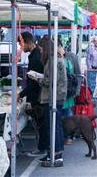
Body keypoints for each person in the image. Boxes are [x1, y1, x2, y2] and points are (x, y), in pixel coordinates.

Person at [36, 38, 67, 167]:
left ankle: (57, 154)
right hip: (57, 96)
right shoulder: (56, 59)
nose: (41, 51)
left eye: (41, 48)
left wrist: (38, 79)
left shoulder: (52, 61)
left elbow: (50, 81)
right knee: (55, 125)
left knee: (53, 126)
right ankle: (54, 152)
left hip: (52, 97)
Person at [17, 32, 45, 157]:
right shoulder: (35, 54)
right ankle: (42, 147)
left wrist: (21, 94)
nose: (20, 46)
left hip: (37, 95)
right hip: (37, 93)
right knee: (40, 122)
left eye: (20, 43)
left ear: (28, 42)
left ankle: (42, 148)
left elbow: (34, 81)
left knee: (40, 122)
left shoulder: (35, 56)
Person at [59, 42, 82, 145]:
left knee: (68, 113)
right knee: (64, 114)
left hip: (68, 92)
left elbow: (78, 74)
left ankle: (69, 135)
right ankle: (65, 136)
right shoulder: (54, 59)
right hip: (62, 93)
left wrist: (77, 90)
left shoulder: (71, 57)